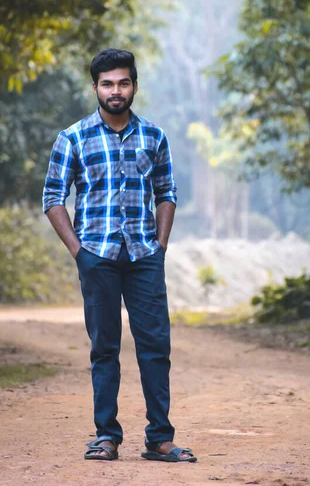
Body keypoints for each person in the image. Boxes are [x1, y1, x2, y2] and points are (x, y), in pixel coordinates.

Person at [43, 48, 196, 463]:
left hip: (145, 254)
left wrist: (160, 246)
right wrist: (80, 252)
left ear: (134, 86)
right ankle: (106, 436)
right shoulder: (73, 137)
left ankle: (160, 439)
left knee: (155, 347)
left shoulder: (154, 137)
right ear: (95, 87)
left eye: (123, 82)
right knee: (104, 347)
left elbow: (167, 193)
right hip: (98, 256)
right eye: (107, 83)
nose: (116, 91)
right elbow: (54, 198)